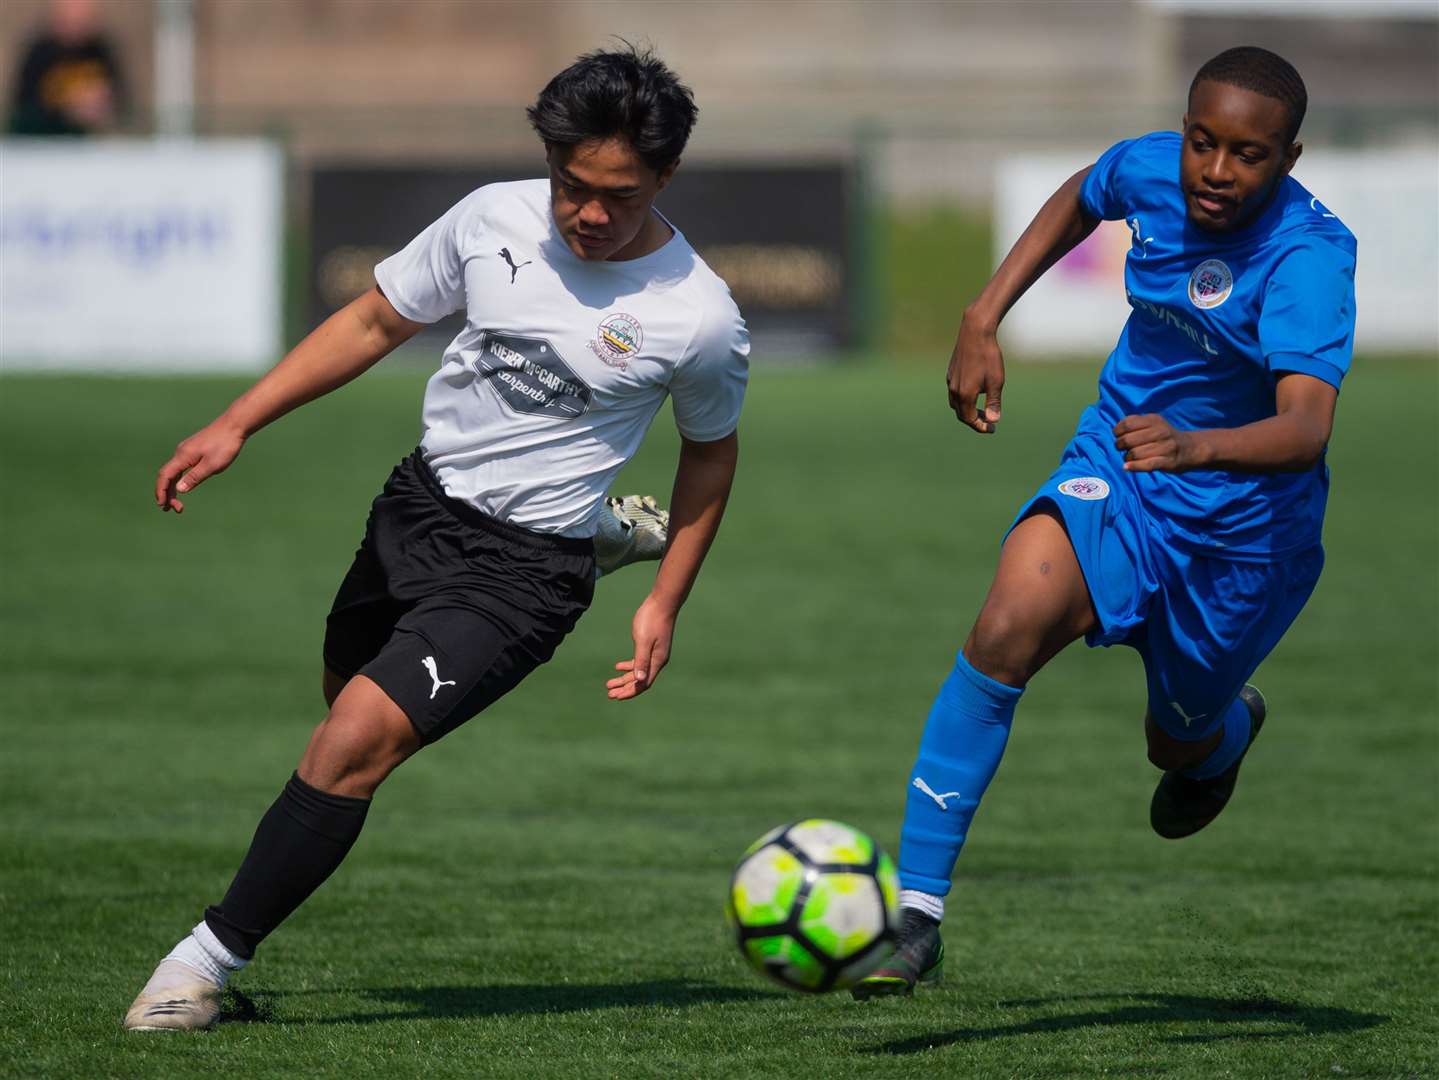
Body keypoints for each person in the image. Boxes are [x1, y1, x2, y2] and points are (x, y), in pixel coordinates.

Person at [124, 44, 749, 1031]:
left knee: (349, 748)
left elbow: (708, 456)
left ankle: (197, 967)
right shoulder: (490, 216)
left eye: (616, 196)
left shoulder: (696, 317)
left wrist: (665, 599)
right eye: (569, 185)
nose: (586, 213)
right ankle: (599, 527)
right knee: (336, 703)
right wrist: (237, 419)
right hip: (414, 510)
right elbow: (376, 320)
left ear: (665, 176)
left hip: (520, 576)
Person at [853, 46, 1355, 999]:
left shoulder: (1309, 261)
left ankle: (1219, 738)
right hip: (1120, 469)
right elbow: (1086, 190)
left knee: (1175, 739)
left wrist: (1195, 446)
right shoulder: (1151, 168)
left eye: (1245, 155)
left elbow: (1303, 428)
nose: (1213, 171)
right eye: (1201, 142)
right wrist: (982, 314)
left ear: (1287, 159)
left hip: (1244, 537)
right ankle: (915, 916)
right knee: (1004, 628)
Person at [7, 0, 127, 136]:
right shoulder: (39, 53)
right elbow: (22, 110)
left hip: (90, 146)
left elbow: (122, 103)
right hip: (43, 145)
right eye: (71, 17)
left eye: (83, 18)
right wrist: (67, 110)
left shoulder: (101, 51)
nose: (76, 23)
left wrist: (104, 107)